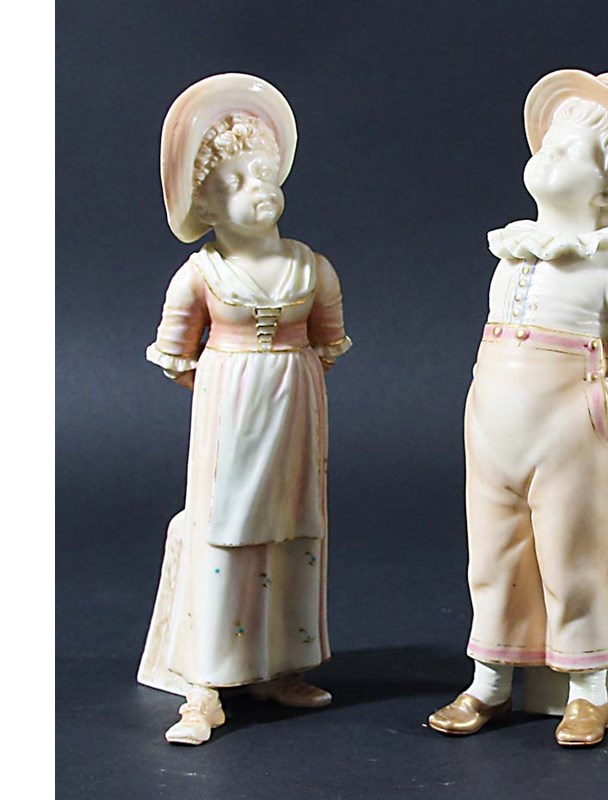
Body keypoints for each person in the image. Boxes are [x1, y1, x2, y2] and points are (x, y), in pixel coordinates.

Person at [427, 70, 608, 747]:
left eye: (568, 151)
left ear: (607, 192)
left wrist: (604, 404)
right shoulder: (512, 256)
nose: (547, 153)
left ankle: (587, 690)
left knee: (575, 560)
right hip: (493, 434)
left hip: (569, 440)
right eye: (549, 142)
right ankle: (489, 681)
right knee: (493, 559)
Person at [136, 74, 352, 745]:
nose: (255, 189)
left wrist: (286, 380)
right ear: (205, 202)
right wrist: (227, 392)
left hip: (297, 410)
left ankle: (280, 665)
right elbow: (177, 355)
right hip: (230, 410)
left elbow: (328, 343)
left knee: (293, 529)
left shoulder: (312, 268)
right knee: (225, 529)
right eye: (233, 182)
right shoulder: (201, 275)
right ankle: (206, 682)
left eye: (261, 173)